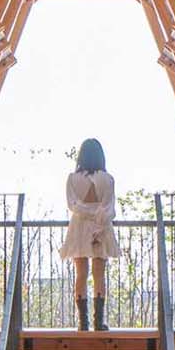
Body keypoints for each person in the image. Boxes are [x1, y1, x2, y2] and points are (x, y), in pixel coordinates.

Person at [62, 137, 119, 330]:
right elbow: (110, 208)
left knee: (81, 274)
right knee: (99, 275)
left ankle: (82, 323)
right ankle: (98, 322)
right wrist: (98, 217)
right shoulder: (107, 179)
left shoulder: (72, 178)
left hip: (78, 226)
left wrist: (86, 212)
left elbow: (72, 205)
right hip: (100, 227)